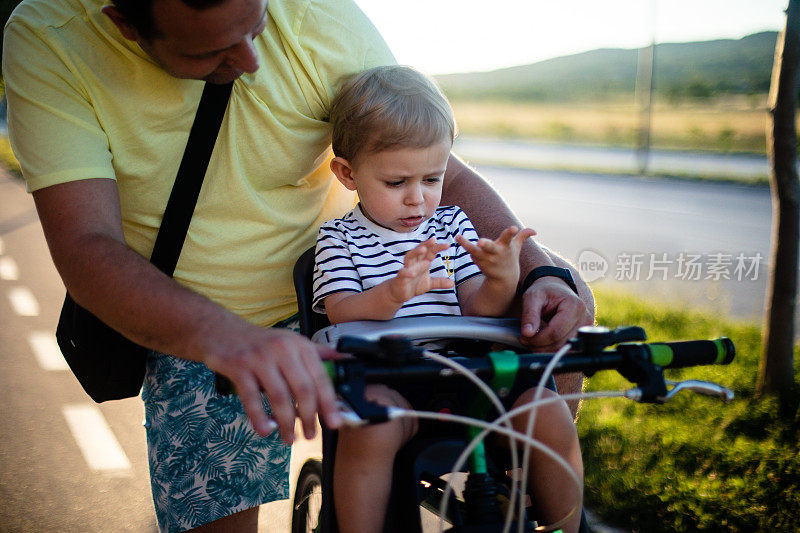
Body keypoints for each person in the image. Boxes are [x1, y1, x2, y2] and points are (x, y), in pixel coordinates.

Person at [3, 0, 593, 531]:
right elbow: (86, 245)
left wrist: (536, 271)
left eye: (256, 24)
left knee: (567, 299)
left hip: (373, 322)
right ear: (124, 21)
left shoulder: (318, 13)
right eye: (212, 51)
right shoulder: (49, 38)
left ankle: (528, 496)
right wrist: (229, 340)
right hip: (205, 323)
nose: (252, 60)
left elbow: (431, 158)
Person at [312, 65, 583, 533]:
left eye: (432, 180)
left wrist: (502, 279)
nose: (417, 200)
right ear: (347, 174)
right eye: (397, 184)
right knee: (369, 428)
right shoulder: (339, 239)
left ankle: (565, 527)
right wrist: (393, 294)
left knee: (547, 410)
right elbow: (340, 310)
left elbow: (479, 308)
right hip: (387, 377)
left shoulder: (451, 224)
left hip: (467, 373)